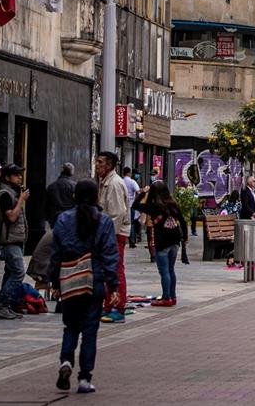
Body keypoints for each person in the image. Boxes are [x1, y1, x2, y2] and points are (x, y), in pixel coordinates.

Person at [49, 179, 120, 394]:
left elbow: (56, 254)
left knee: (71, 326)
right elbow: (110, 254)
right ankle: (84, 378)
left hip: (70, 279)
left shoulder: (62, 219)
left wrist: (55, 282)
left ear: (75, 196)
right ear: (96, 196)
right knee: (90, 331)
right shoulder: (104, 221)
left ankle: (66, 361)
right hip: (94, 279)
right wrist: (113, 285)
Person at [130, 181, 187, 306]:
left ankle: (166, 298)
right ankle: (173, 297)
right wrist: (185, 238)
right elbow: (182, 221)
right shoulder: (173, 204)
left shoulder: (154, 206)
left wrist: (142, 193)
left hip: (162, 242)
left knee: (164, 271)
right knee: (171, 270)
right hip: (175, 241)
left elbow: (135, 205)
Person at [0, 163, 30, 319]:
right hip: (8, 240)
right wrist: (21, 200)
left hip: (15, 238)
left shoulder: (13, 192)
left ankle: (4, 304)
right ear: (7, 177)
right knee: (18, 271)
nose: (19, 178)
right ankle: (2, 304)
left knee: (10, 272)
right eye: (16, 175)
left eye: (20, 175)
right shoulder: (5, 194)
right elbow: (11, 217)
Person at [94, 151, 131, 323]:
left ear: (109, 165)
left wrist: (107, 237)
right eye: (97, 161)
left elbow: (117, 213)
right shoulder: (105, 182)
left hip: (114, 234)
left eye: (100, 162)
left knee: (115, 270)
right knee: (108, 270)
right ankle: (109, 305)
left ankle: (118, 307)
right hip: (110, 234)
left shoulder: (114, 183)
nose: (97, 165)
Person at [45, 163, 76, 228]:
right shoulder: (74, 186)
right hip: (70, 219)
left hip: (55, 219)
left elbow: (47, 204)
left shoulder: (51, 186)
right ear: (72, 172)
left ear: (62, 171)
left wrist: (48, 218)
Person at [120, 167, 140, 249]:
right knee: (131, 223)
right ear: (129, 173)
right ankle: (132, 241)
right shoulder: (132, 182)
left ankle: (123, 240)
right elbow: (138, 191)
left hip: (121, 205)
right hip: (131, 205)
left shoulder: (120, 181)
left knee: (122, 222)